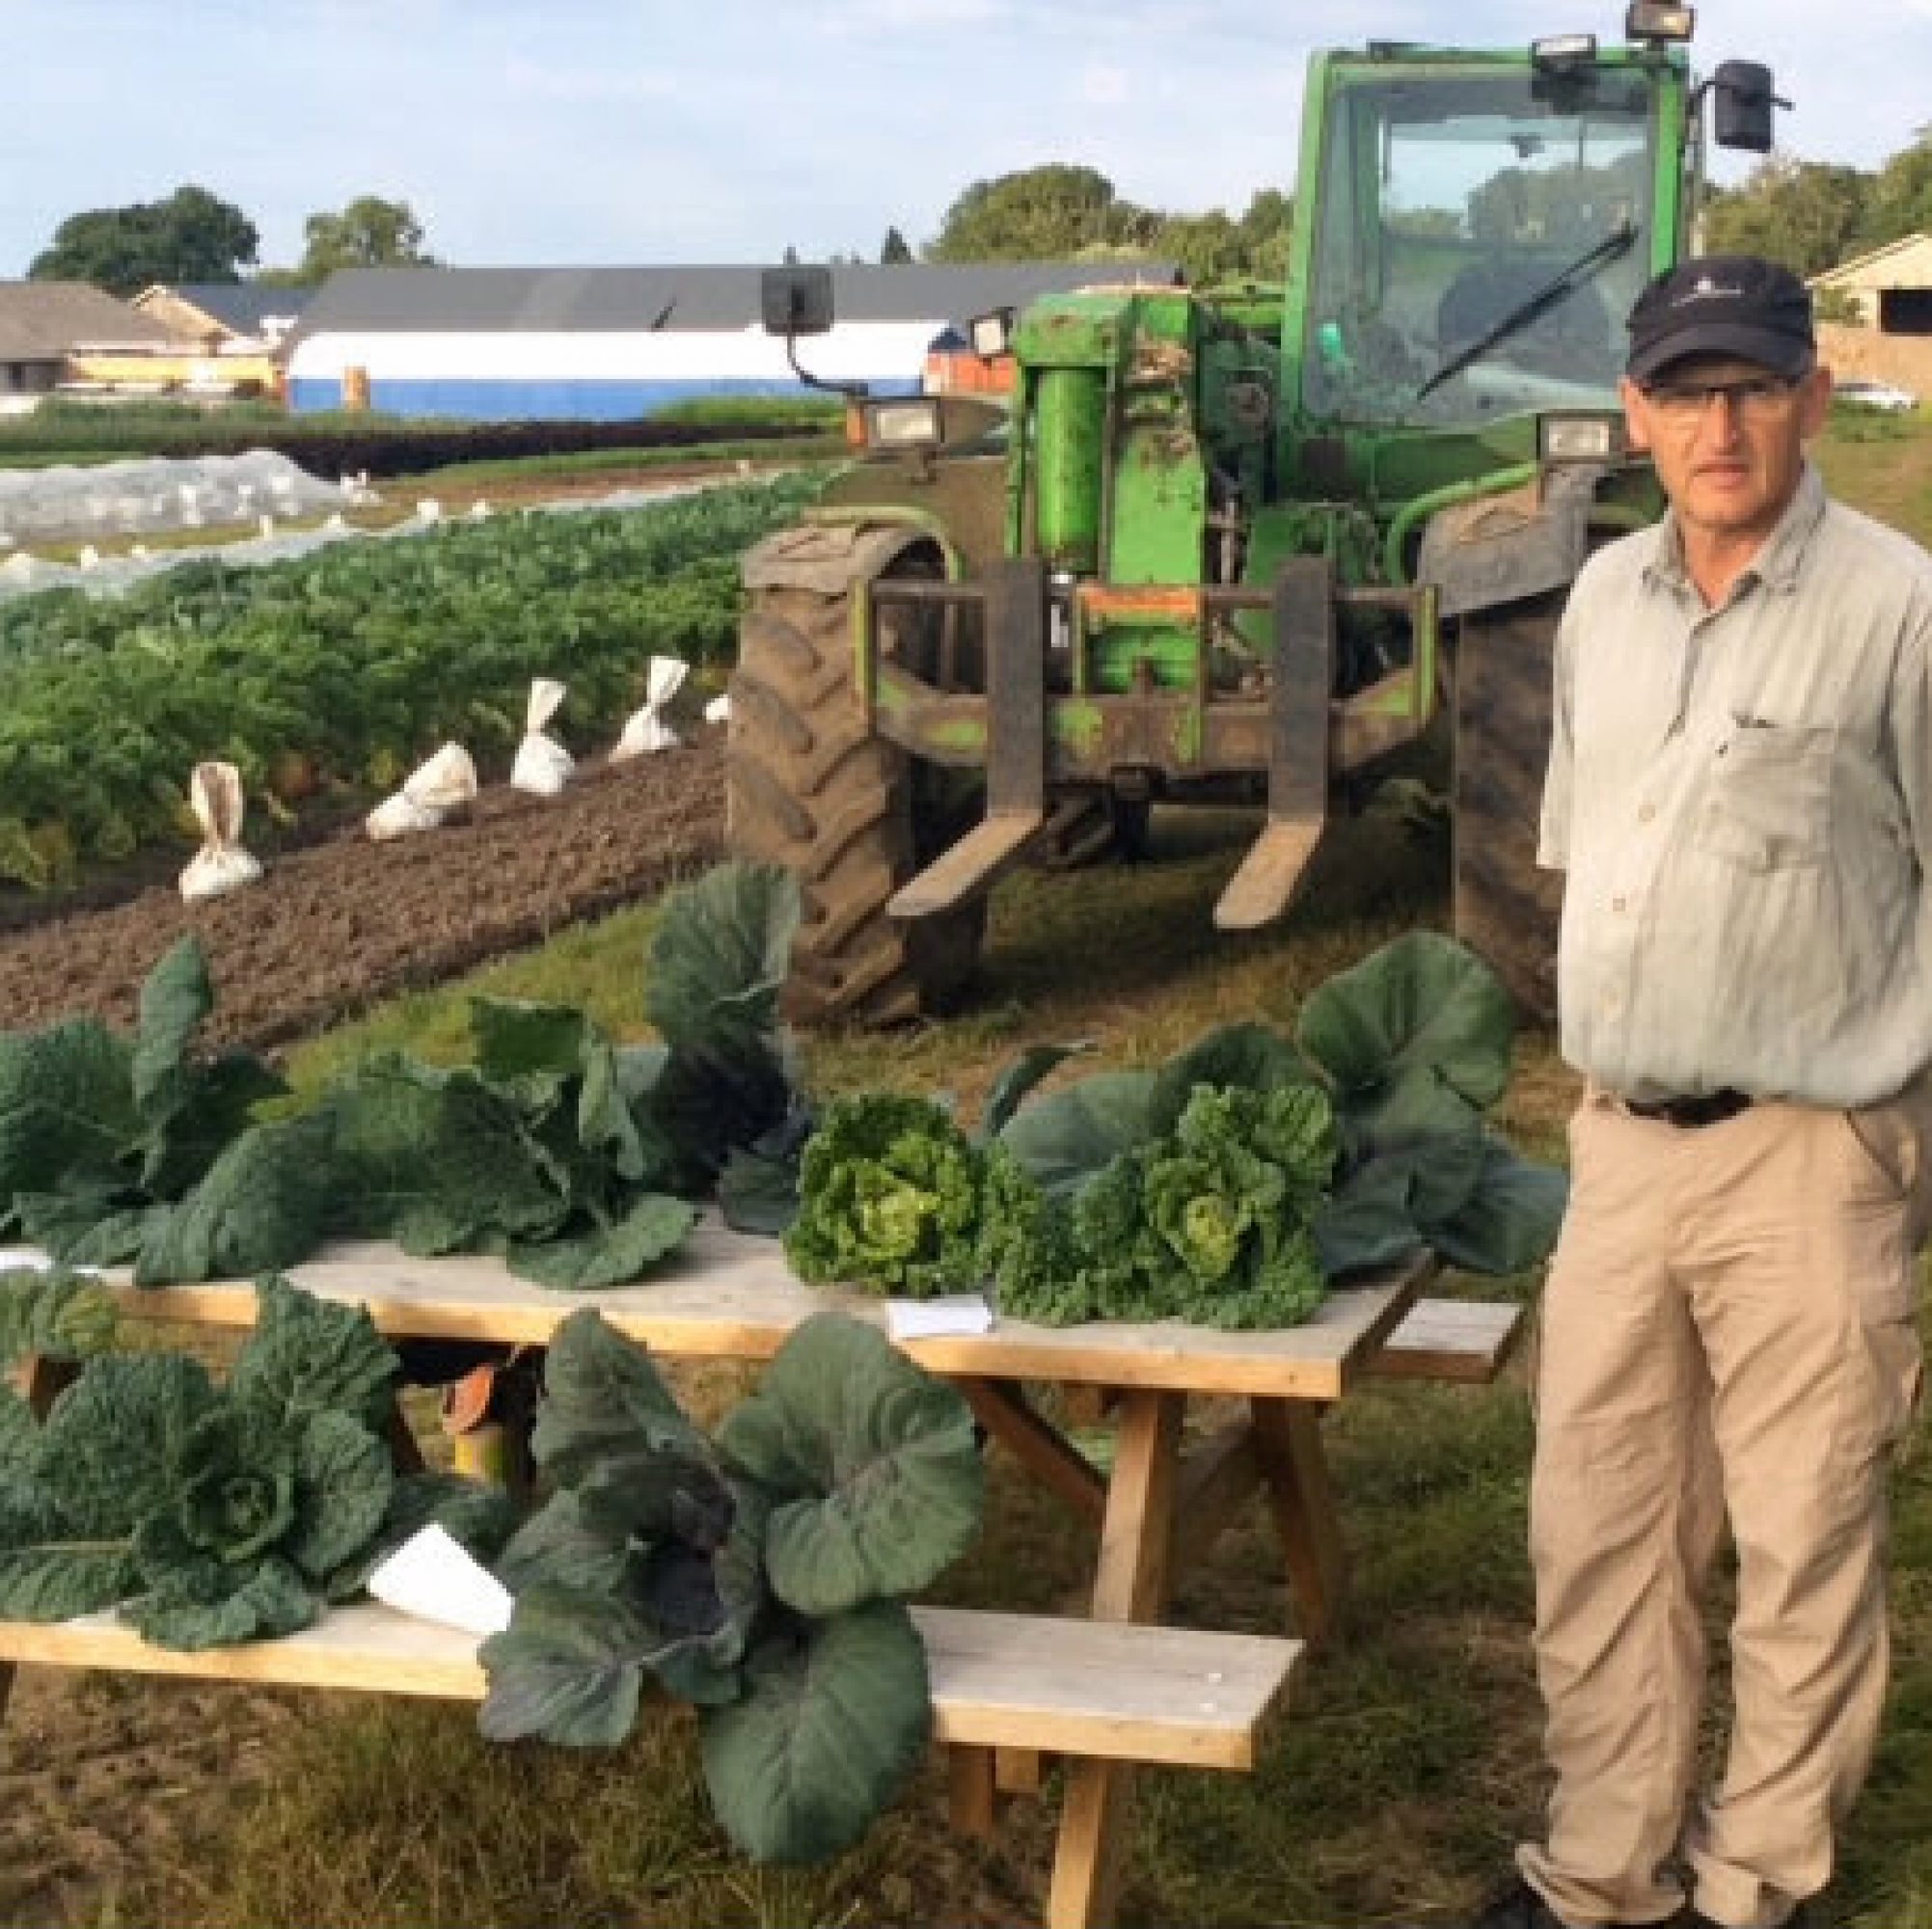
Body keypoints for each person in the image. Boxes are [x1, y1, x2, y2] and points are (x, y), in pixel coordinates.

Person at [1472, 254, 1932, 1929]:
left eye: (1751, 385)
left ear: (1810, 396)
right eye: (1686, 390)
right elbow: (1589, 857)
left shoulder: (1903, 609)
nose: (1719, 423)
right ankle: (1604, 1866)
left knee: (1804, 1534)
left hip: (1815, 1150)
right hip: (1621, 1142)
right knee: (1598, 1518)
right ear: (1640, 412)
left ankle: (1758, 1880)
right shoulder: (1600, 603)